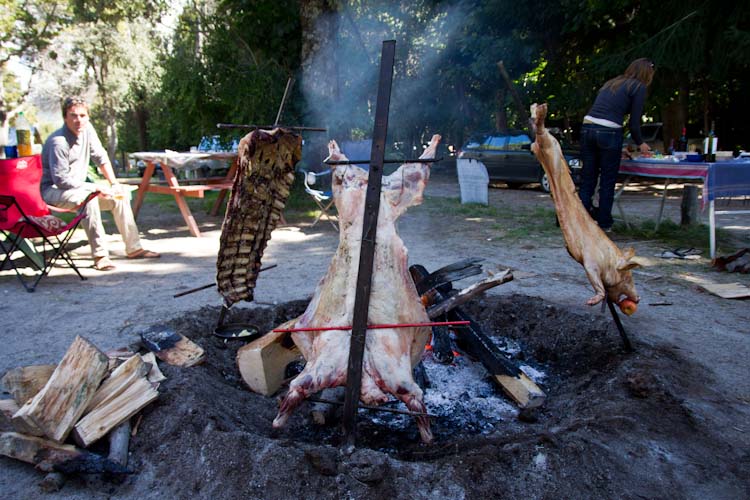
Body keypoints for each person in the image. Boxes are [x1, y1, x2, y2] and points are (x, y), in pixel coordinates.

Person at [41, 96, 159, 271]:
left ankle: (134, 248)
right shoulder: (58, 142)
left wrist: (114, 184)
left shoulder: (87, 130)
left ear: (88, 116)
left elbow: (101, 157)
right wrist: (93, 188)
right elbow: (61, 179)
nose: (78, 120)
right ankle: (100, 255)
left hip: (78, 187)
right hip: (54, 191)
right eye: (73, 115)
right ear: (65, 117)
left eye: (82, 115)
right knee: (89, 199)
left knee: (118, 197)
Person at [578, 58, 655, 232]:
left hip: (587, 127)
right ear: (647, 73)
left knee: (588, 178)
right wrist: (641, 144)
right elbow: (634, 123)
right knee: (607, 180)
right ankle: (604, 223)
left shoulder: (612, 83)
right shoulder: (638, 87)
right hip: (609, 131)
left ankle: (581, 221)